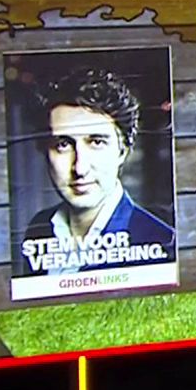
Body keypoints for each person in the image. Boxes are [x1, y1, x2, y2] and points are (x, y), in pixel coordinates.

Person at [21, 66, 173, 269]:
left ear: (123, 151)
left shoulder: (161, 243)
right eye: (63, 144)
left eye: (97, 142)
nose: (80, 168)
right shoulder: (38, 229)